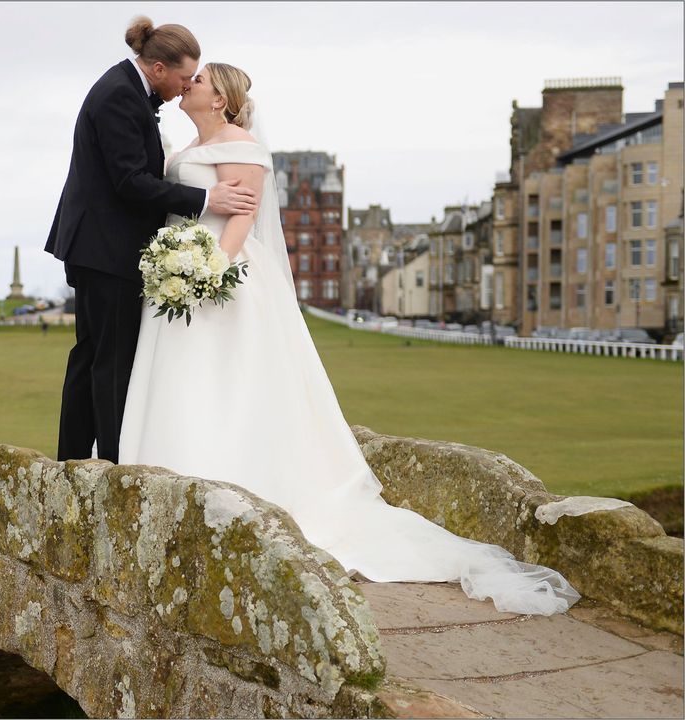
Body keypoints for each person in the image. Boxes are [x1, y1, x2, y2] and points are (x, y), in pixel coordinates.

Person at [117, 62, 580, 616]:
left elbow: (238, 224)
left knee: (229, 386)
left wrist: (206, 274)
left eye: (199, 81)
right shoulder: (187, 146)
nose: (187, 84)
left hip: (223, 280)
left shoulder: (241, 146)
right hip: (180, 282)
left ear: (220, 99)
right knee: (183, 386)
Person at [45, 16, 257, 464]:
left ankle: (75, 459)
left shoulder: (124, 89)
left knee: (94, 354)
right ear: (158, 69)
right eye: (183, 78)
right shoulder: (121, 95)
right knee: (110, 359)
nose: (185, 88)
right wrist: (207, 198)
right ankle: (111, 465)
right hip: (107, 249)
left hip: (99, 246)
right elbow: (129, 181)